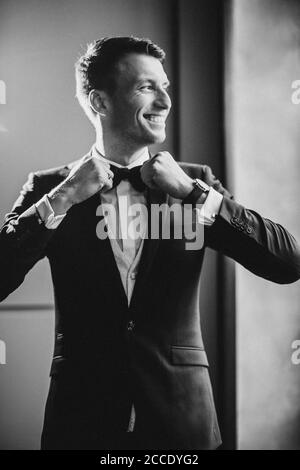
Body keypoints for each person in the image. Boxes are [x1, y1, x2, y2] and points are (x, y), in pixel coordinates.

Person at [0, 36, 299, 451]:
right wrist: (63, 198)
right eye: (146, 87)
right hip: (81, 423)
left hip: (182, 423)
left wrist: (195, 194)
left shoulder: (197, 183)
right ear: (100, 102)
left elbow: (288, 263)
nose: (165, 102)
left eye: (166, 88)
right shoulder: (50, 188)